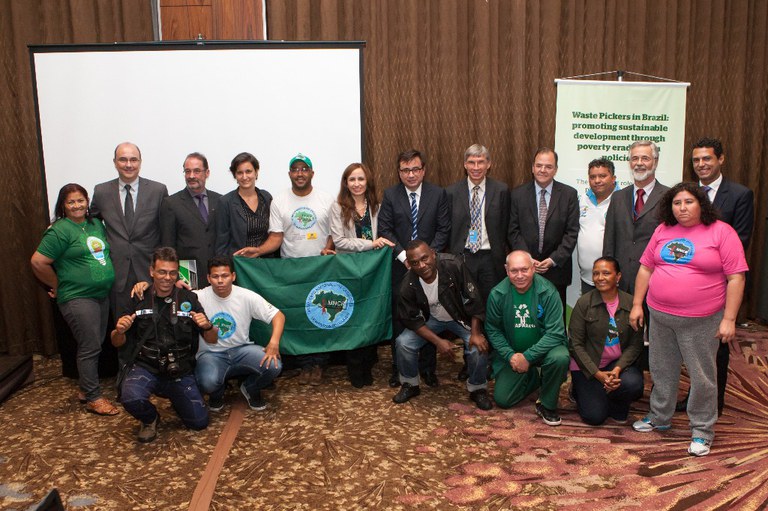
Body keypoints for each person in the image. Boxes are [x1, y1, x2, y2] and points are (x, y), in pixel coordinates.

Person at [630, 182, 748, 457]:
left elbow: (736, 278)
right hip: (660, 316)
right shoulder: (663, 230)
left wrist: (729, 319)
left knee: (702, 377)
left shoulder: (721, 232)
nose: (682, 208)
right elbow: (646, 268)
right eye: (677, 203)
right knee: (661, 369)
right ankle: (659, 417)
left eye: (688, 202)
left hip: (701, 320)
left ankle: (702, 430)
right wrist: (637, 304)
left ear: (701, 204)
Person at [676, 137, 755, 414]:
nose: (701, 165)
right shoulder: (685, 194)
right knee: (687, 346)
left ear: (721, 159)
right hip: (685, 287)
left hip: (719, 285)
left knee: (715, 348)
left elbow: (741, 240)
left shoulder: (739, 195)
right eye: (696, 160)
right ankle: (693, 396)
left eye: (707, 159)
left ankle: (713, 402)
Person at [111, 247, 218, 443]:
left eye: (172, 273)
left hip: (180, 370)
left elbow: (212, 339)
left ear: (177, 273)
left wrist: (208, 325)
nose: (167, 278)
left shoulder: (189, 299)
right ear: (151, 271)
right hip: (147, 366)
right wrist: (119, 331)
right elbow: (117, 342)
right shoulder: (138, 297)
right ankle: (150, 418)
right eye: (162, 272)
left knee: (199, 423)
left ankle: (178, 399)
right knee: (130, 397)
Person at [246, 153, 335, 385]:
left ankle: (320, 363)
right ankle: (305, 363)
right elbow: (276, 237)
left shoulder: (326, 199)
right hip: (291, 269)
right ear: (289, 174)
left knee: (321, 315)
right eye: (295, 169)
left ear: (312, 173)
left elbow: (333, 234)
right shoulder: (280, 201)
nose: (300, 173)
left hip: (320, 268)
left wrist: (327, 249)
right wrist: (258, 251)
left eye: (304, 169)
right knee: (299, 315)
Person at [31, 183, 119, 416]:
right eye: (71, 202)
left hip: (100, 295)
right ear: (63, 205)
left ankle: (85, 388)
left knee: (95, 343)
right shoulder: (59, 230)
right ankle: (93, 397)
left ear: (87, 201)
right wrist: (57, 285)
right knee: (90, 346)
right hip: (78, 297)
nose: (77, 205)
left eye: (81, 200)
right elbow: (38, 262)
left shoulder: (95, 224)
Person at [391, 240, 493, 410]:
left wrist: (476, 332)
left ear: (433, 253)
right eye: (415, 263)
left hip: (460, 318)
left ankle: (477, 389)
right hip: (432, 320)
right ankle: (410, 384)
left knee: (477, 346)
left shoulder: (454, 265)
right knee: (403, 343)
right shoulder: (407, 284)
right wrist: (438, 342)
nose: (422, 265)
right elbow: (412, 321)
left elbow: (475, 300)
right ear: (409, 264)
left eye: (425, 258)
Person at [378, 149, 450, 387]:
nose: (411, 174)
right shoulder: (390, 195)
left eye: (415, 169)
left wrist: (427, 259)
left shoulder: (438, 194)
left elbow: (443, 230)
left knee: (429, 315)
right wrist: (404, 257)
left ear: (423, 170)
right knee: (401, 317)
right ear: (399, 173)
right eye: (405, 170)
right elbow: (385, 230)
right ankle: (400, 368)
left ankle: (428, 369)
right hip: (401, 268)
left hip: (430, 269)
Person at [485, 250, 569, 426]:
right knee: (503, 399)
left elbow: (556, 332)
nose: (520, 275)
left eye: (524, 270)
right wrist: (510, 355)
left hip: (546, 351)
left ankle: (546, 404)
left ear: (533, 268)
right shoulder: (497, 294)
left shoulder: (548, 291)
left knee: (560, 357)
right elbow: (492, 329)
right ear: (506, 270)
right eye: (514, 271)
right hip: (515, 353)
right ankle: (534, 375)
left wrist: (528, 357)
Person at [330, 163, 394, 387]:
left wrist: (378, 244)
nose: (356, 184)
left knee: (371, 314)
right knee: (353, 317)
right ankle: (356, 370)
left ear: (368, 182)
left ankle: (369, 362)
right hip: (349, 270)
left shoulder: (377, 205)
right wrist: (370, 244)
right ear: (345, 183)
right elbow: (339, 241)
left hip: (374, 270)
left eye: (361, 179)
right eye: (352, 180)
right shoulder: (338, 207)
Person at [195, 257, 284, 411]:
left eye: (225, 276)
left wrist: (274, 343)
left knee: (274, 365)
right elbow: (168, 295)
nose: (220, 281)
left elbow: (278, 316)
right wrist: (144, 286)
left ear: (233, 276)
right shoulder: (197, 297)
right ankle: (217, 394)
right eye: (215, 277)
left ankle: (250, 388)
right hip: (211, 354)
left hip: (242, 350)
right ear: (208, 278)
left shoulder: (246, 296)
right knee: (207, 381)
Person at [90, 142, 168, 315]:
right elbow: (91, 225)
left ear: (140, 162)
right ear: (115, 162)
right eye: (123, 160)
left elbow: (165, 231)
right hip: (117, 274)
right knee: (123, 327)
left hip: (150, 271)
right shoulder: (101, 191)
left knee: (153, 327)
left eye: (134, 160)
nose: (128, 164)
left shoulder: (158, 190)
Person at [567, 257, 644, 425]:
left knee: (634, 384)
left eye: (606, 273)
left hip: (616, 364)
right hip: (588, 367)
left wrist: (617, 369)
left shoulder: (632, 303)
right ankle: (581, 390)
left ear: (618, 277)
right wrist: (597, 374)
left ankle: (614, 401)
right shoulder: (584, 303)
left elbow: (635, 344)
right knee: (594, 417)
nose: (600, 277)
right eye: (596, 274)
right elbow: (575, 344)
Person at [508, 148, 579, 312]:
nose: (543, 170)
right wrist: (527, 259)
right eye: (539, 165)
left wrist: (553, 259)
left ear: (555, 169)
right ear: (532, 167)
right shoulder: (518, 194)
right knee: (527, 316)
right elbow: (513, 230)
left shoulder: (569, 194)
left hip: (556, 269)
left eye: (548, 166)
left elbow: (572, 232)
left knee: (554, 317)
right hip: (525, 270)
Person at [603, 140, 669, 294]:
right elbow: (609, 241)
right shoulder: (618, 197)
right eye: (634, 158)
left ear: (655, 162)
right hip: (621, 281)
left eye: (645, 158)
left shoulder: (669, 197)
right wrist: (609, 273)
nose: (639, 163)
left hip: (654, 280)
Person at [160, 152, 222, 285]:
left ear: (207, 173)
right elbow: (167, 245)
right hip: (187, 271)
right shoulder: (171, 203)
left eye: (197, 171)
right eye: (187, 171)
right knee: (191, 305)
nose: (191, 176)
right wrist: (175, 278)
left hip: (217, 272)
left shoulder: (220, 201)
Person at [215, 152, 274, 259]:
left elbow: (274, 234)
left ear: (256, 172)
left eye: (248, 171)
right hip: (240, 265)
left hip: (267, 265)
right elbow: (221, 243)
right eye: (240, 173)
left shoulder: (266, 197)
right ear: (235, 176)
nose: (244, 177)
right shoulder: (225, 202)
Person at [576, 159, 617, 294]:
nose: (597, 180)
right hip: (586, 278)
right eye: (593, 177)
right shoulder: (582, 200)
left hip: (612, 280)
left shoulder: (622, 200)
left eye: (602, 176)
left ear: (613, 178)